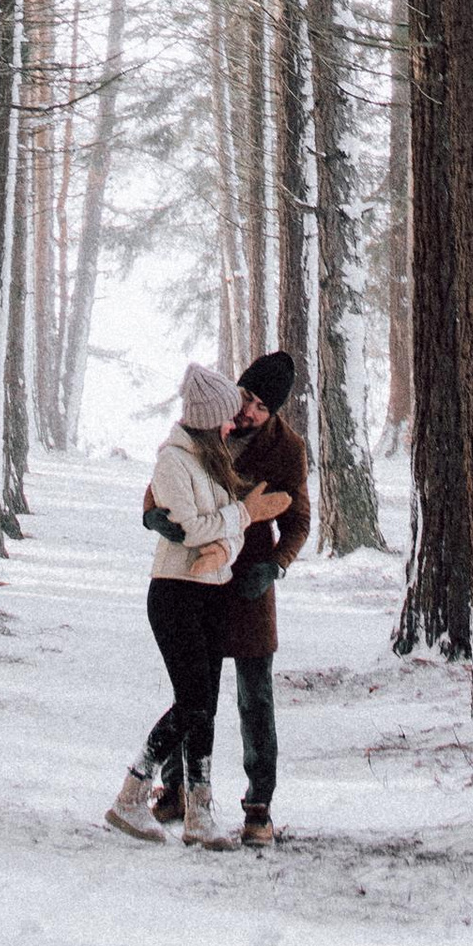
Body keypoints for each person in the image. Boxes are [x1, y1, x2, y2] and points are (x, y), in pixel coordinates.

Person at [105, 363, 291, 849]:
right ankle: (138, 794)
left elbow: (231, 527)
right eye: (238, 405)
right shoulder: (181, 458)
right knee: (192, 702)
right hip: (177, 590)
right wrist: (239, 516)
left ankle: (211, 812)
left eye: (258, 407)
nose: (241, 418)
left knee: (216, 703)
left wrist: (241, 550)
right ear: (214, 415)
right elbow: (193, 523)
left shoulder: (225, 456)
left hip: (221, 588)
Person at [147, 350, 308, 851]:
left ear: (276, 411)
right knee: (196, 690)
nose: (249, 411)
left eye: (262, 406)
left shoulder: (287, 449)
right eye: (247, 396)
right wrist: (152, 515)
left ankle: (259, 805)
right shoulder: (207, 426)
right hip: (201, 576)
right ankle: (177, 790)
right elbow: (161, 487)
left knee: (255, 697)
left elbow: (298, 519)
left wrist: (277, 564)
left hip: (251, 583)